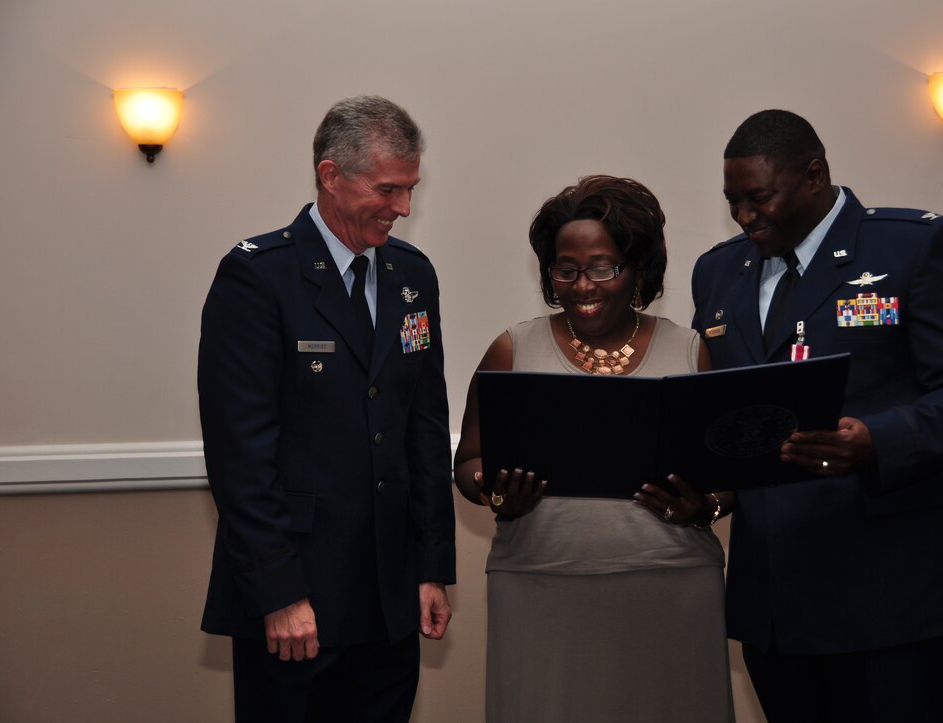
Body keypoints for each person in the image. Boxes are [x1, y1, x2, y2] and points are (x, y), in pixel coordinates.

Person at [691, 109, 943, 723]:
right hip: (774, 599)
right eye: (732, 201)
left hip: (888, 591)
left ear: (815, 176)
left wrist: (877, 441)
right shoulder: (719, 271)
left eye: (759, 198)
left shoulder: (912, 246)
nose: (744, 216)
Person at [197, 95, 455, 722]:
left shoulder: (411, 277)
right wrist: (278, 593)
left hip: (390, 595)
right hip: (298, 596)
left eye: (410, 189)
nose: (403, 208)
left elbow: (424, 427)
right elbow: (240, 456)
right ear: (331, 175)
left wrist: (430, 569)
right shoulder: (259, 278)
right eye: (389, 190)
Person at [454, 175, 736, 722]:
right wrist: (492, 492)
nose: (583, 285)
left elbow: (725, 478)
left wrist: (705, 508)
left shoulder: (689, 349)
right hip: (541, 585)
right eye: (566, 268)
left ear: (637, 270)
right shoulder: (513, 347)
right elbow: (468, 461)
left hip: (672, 586)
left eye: (603, 267)